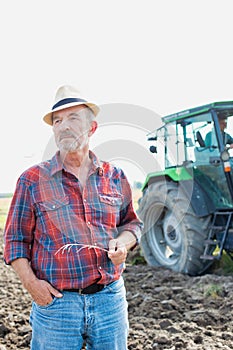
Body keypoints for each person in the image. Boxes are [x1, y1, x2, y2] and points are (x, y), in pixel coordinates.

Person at [4, 85, 143, 350]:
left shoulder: (115, 176)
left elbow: (131, 223)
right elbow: (14, 240)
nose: (63, 126)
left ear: (92, 128)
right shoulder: (32, 180)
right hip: (57, 305)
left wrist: (123, 244)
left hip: (109, 300)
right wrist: (32, 284)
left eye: (73, 118)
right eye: (57, 120)